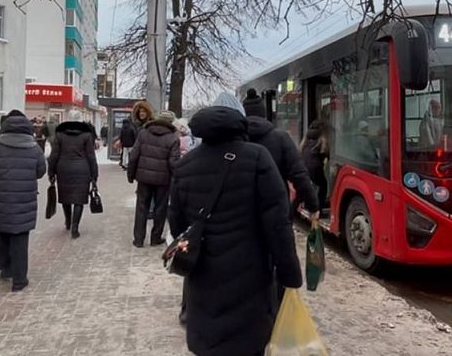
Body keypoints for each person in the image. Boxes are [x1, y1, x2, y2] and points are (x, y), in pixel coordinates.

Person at [169, 103, 302, 355]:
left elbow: (177, 224)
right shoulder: (257, 157)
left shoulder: (185, 166)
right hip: (249, 276)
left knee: (209, 345)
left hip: (203, 277)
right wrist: (289, 275)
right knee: (248, 345)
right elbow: (278, 223)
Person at [236, 91, 319, 221]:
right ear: (264, 113)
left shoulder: (235, 140)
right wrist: (313, 205)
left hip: (243, 214)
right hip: (277, 211)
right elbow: (299, 175)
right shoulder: (281, 138)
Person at [0, 115, 47, 292]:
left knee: (3, 231)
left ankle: (5, 270)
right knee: (20, 237)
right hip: (24, 199)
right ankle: (19, 280)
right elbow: (41, 171)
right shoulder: (35, 149)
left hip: (1, 197)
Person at [127, 110, 180, 247]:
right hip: (163, 180)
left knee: (141, 208)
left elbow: (133, 156)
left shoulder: (144, 132)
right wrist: (178, 179)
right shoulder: (173, 138)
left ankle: (138, 240)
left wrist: (131, 175)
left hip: (143, 178)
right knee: (160, 209)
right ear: (171, 122)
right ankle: (155, 238)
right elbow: (173, 163)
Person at [47, 118, 99, 239]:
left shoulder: (59, 135)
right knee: (79, 199)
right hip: (82, 169)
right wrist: (94, 174)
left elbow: (54, 155)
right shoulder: (86, 136)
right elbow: (91, 156)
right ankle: (75, 227)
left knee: (66, 197)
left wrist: (51, 172)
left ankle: (68, 222)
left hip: (63, 169)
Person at [302, 119, 331, 213]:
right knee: (323, 185)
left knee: (313, 185)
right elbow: (326, 153)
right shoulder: (322, 140)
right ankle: (319, 208)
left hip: (305, 165)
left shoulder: (307, 139)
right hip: (315, 167)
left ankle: (309, 204)